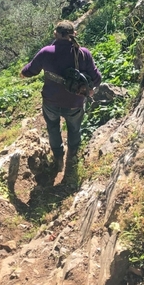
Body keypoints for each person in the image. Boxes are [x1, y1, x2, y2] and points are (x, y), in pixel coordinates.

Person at [20, 20, 101, 173]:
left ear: (55, 34)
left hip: (51, 102)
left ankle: (58, 158)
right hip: (75, 103)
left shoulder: (46, 52)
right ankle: (72, 156)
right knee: (74, 129)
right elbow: (97, 78)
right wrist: (90, 90)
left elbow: (29, 71)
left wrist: (22, 73)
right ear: (74, 34)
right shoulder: (83, 53)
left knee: (53, 128)